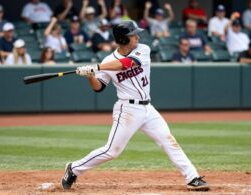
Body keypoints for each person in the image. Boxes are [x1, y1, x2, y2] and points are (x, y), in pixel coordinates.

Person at [61, 20, 210, 192]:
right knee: (112, 151)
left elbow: (128, 64)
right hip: (127, 110)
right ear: (124, 39)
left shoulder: (142, 49)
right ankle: (73, 168)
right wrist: (90, 75)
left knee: (169, 141)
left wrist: (96, 66)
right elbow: (99, 87)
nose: (137, 37)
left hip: (148, 108)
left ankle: (192, 177)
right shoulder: (109, 60)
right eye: (133, 35)